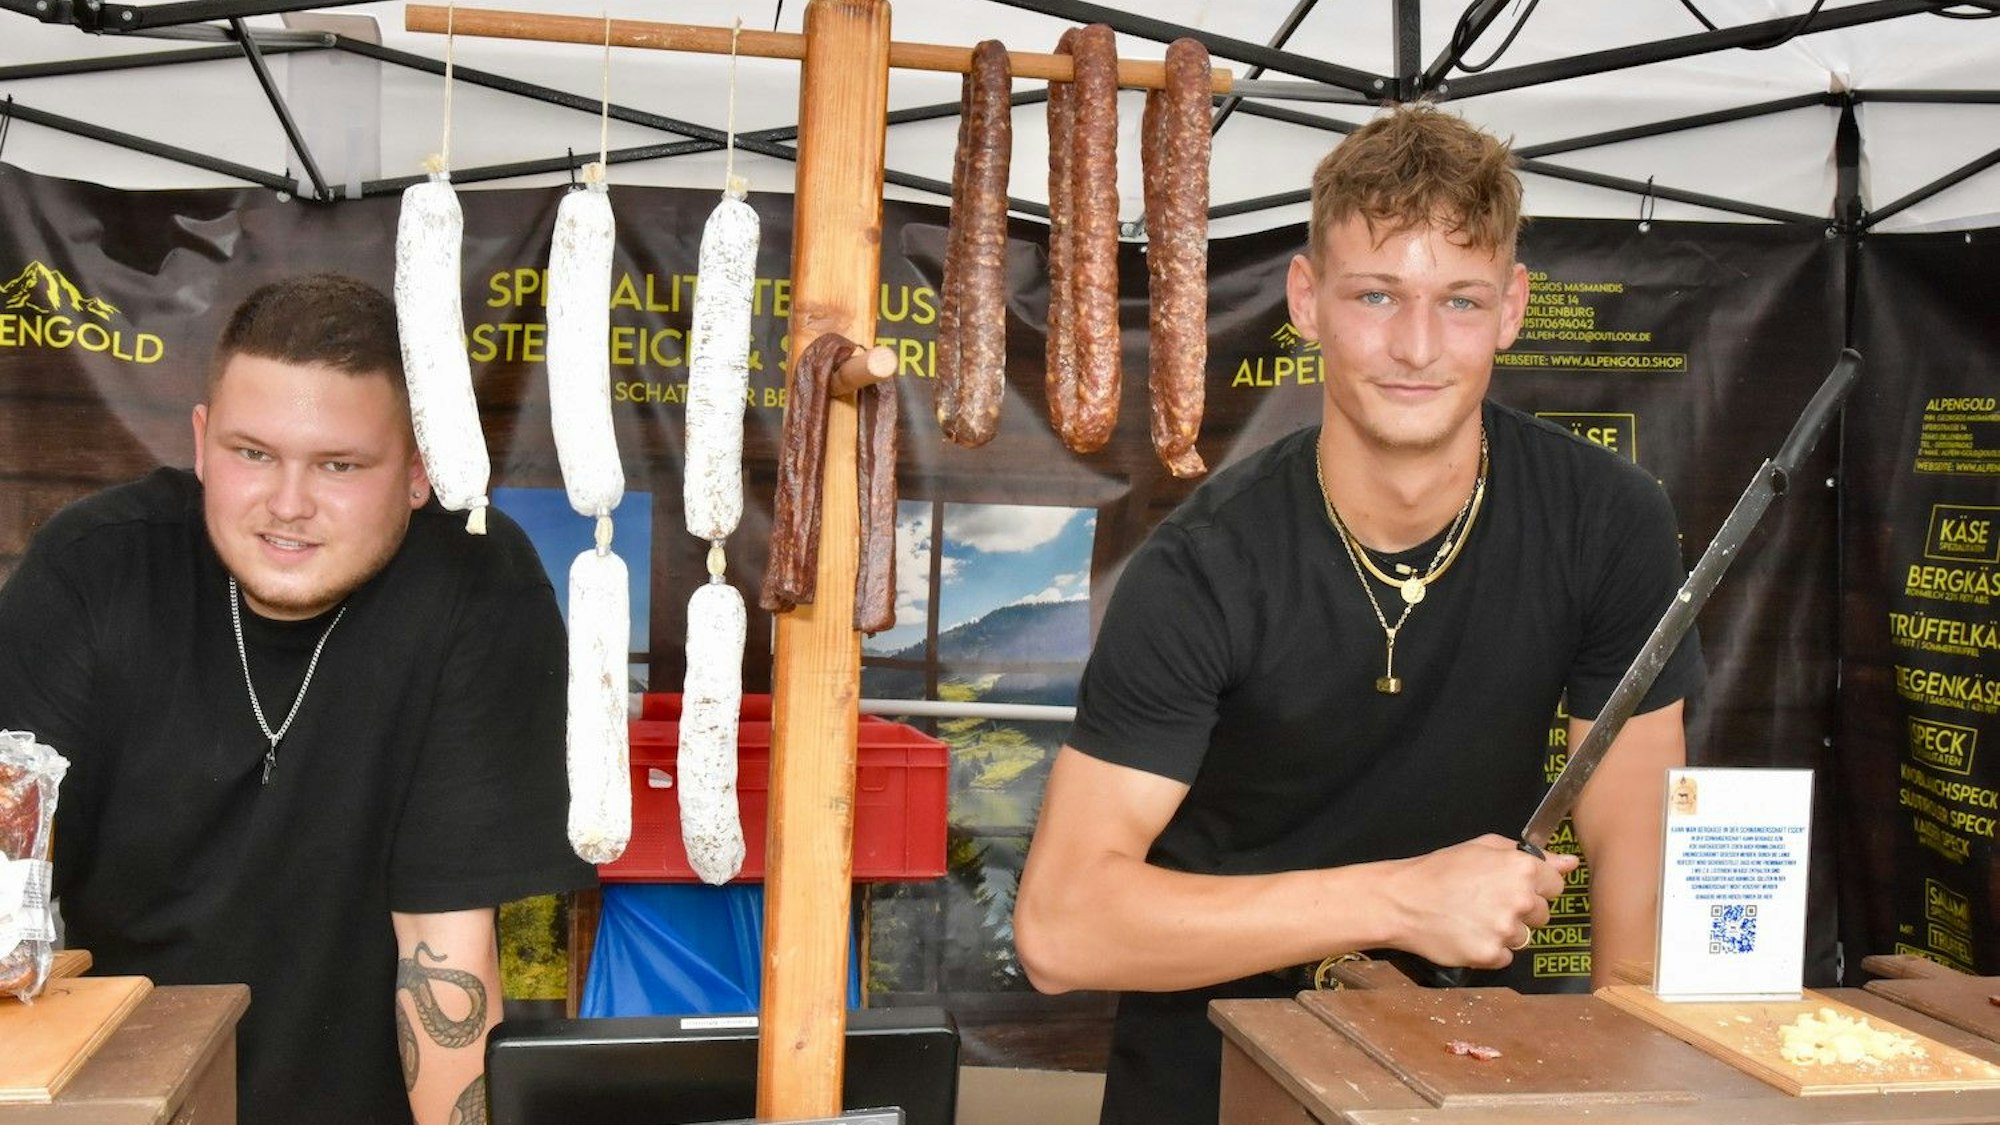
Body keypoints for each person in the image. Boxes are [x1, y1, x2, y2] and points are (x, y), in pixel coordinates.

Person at [1012, 103, 1704, 1125]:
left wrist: (1634, 1075)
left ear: (1511, 308)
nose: (1416, 346)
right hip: (1208, 1079)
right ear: (1306, 300)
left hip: (1462, 1075)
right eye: (1376, 294)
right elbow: (1060, 932)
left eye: (1458, 302)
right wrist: (1401, 899)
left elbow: (1634, 832)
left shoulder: (1607, 520)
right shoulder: (1202, 567)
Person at [0, 274, 596, 1125]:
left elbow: (444, 958)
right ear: (202, 442)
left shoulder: (475, 584)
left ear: (420, 472)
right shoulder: (95, 569)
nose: (288, 505)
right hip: (128, 1100)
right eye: (253, 453)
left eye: (339, 465)